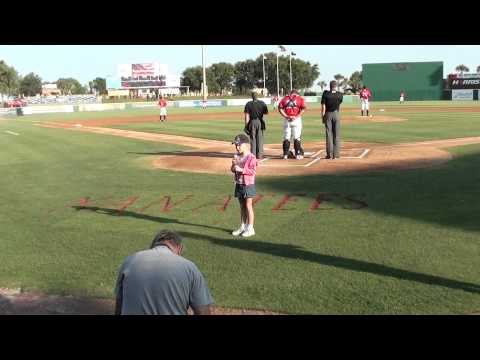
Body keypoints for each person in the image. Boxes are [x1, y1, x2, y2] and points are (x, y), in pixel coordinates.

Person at [114, 229, 214, 315]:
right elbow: (203, 312)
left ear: (153, 246)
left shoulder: (129, 261)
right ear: (180, 248)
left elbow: (119, 307)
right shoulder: (189, 267)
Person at [231, 134, 257, 237]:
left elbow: (253, 171)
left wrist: (241, 169)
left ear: (246, 145)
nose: (237, 147)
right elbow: (232, 170)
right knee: (242, 206)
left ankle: (250, 228)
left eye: (239, 145)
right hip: (239, 184)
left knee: (248, 206)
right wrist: (233, 165)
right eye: (236, 145)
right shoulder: (236, 156)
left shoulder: (251, 157)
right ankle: (243, 226)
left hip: (248, 185)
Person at [278, 89, 306, 160]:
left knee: (286, 137)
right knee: (297, 137)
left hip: (287, 120)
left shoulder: (285, 98)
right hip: (296, 120)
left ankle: (285, 154)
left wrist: (286, 116)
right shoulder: (300, 99)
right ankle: (298, 154)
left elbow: (280, 108)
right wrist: (296, 116)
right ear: (296, 93)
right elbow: (303, 109)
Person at [321, 80, 343, 159]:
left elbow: (323, 107)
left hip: (328, 114)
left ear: (330, 86)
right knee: (336, 134)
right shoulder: (340, 95)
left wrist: (322, 116)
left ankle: (330, 155)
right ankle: (336, 154)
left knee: (329, 134)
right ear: (336, 86)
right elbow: (339, 105)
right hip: (336, 114)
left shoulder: (325, 94)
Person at [244, 92, 269, 160]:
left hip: (252, 122)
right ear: (257, 96)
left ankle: (253, 155)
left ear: (252, 97)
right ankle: (260, 155)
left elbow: (247, 116)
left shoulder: (248, 104)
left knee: (253, 138)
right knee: (260, 139)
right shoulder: (262, 103)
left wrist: (246, 125)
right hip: (260, 122)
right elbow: (265, 114)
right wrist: (263, 123)